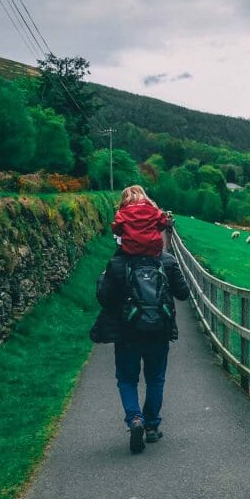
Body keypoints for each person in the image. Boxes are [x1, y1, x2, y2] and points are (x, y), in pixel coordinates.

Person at [95, 222, 190, 454]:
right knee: (155, 378)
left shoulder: (117, 263)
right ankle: (151, 427)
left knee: (127, 379)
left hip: (126, 333)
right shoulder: (166, 260)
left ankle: (135, 418)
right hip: (159, 331)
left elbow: (104, 298)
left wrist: (104, 277)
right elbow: (183, 293)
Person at [112, 185, 171, 257]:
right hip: (153, 250)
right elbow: (162, 225)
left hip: (130, 250)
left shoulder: (121, 213)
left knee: (115, 261)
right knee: (170, 261)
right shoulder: (155, 211)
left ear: (124, 199)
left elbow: (116, 230)